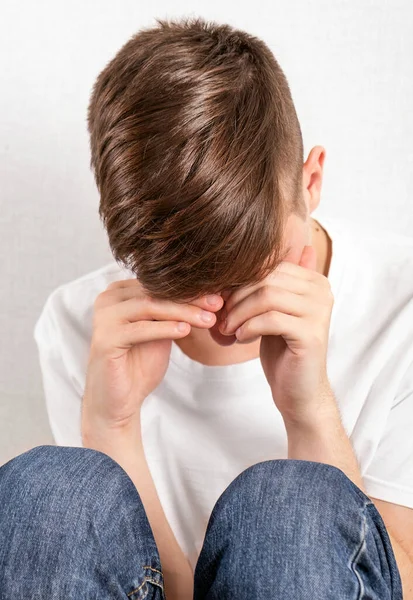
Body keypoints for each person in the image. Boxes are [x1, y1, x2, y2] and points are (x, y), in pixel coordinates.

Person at [1, 15, 411, 599]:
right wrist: (111, 429)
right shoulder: (84, 326)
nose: (221, 315)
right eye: (184, 284)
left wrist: (310, 412)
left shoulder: (403, 307)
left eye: (251, 270)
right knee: (49, 490)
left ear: (311, 181)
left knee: (290, 508)